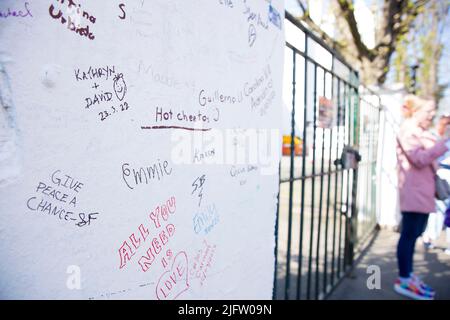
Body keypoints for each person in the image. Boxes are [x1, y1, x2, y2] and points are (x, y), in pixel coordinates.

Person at [395, 96, 450, 300]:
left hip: (422, 191)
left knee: (415, 232)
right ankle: (403, 279)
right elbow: (419, 159)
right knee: (409, 235)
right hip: (414, 191)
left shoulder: (419, 130)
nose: (431, 115)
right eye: (428, 112)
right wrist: (445, 144)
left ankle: (408, 275)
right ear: (416, 111)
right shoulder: (408, 130)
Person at [422, 116, 450, 253]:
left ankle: (432, 237)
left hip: (442, 174)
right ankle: (429, 236)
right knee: (437, 209)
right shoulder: (438, 140)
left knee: (443, 210)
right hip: (440, 175)